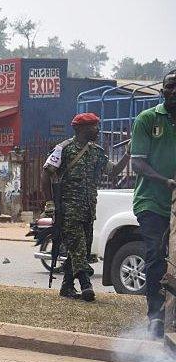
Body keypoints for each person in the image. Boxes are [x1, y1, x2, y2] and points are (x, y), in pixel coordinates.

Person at [41, 113, 128, 302]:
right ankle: (86, 284)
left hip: (88, 210)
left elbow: (113, 171)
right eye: (94, 126)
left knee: (82, 249)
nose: (97, 130)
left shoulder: (96, 152)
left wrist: (128, 154)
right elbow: (46, 174)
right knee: (78, 247)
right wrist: (50, 204)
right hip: (68, 209)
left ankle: (67, 286)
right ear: (80, 129)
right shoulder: (64, 149)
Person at [131, 69, 176, 338]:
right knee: (156, 257)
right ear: (162, 90)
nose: (174, 92)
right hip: (152, 201)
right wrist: (165, 181)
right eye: (170, 87)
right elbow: (137, 162)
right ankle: (155, 318)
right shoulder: (147, 119)